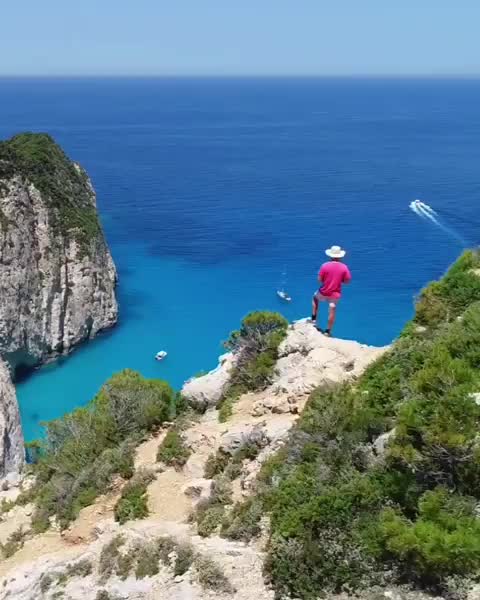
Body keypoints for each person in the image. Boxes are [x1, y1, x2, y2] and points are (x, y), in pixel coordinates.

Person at [310, 245, 351, 336]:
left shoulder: (324, 266)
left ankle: (313, 319)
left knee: (315, 298)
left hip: (324, 291)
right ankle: (328, 331)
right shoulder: (344, 267)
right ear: (340, 256)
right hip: (335, 294)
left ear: (330, 256)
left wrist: (327, 280)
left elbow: (319, 280)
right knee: (332, 310)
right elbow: (347, 281)